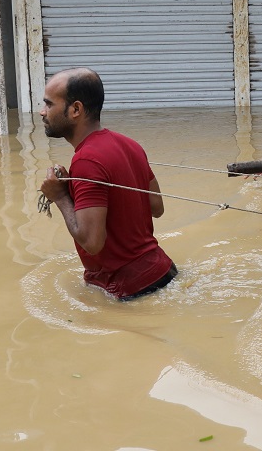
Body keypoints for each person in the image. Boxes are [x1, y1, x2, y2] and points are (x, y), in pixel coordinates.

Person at [39, 68, 176, 300]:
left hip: (131, 291)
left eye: (49, 104)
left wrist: (60, 197)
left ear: (76, 110)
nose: (42, 112)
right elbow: (157, 208)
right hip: (164, 272)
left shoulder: (85, 161)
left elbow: (93, 242)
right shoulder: (130, 144)